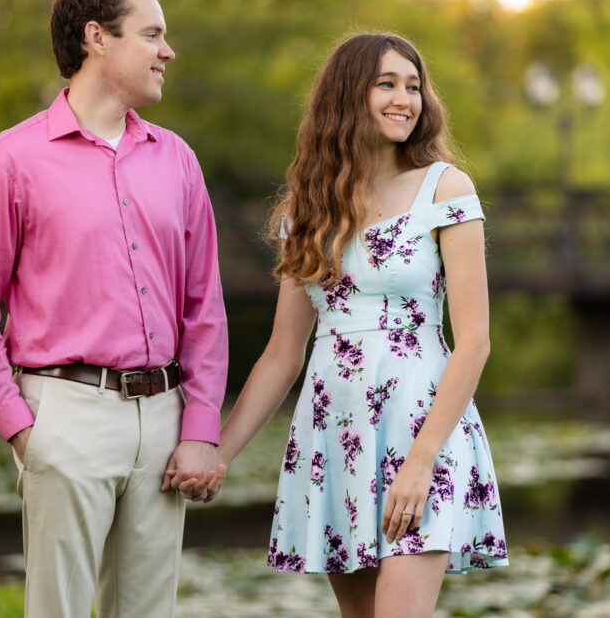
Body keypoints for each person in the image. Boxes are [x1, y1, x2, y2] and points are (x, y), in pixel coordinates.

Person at [0, 0, 227, 617]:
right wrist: (24, 430)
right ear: (97, 38)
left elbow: (202, 309)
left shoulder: (177, 160)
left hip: (163, 422)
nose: (168, 51)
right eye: (153, 35)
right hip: (64, 415)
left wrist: (200, 427)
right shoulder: (11, 161)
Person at [197, 33, 508, 617]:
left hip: (422, 432)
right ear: (346, 97)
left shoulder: (445, 189)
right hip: (336, 436)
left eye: (413, 86)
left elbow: (475, 341)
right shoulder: (309, 209)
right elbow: (282, 354)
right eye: (386, 84)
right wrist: (219, 453)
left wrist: (422, 462)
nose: (404, 99)